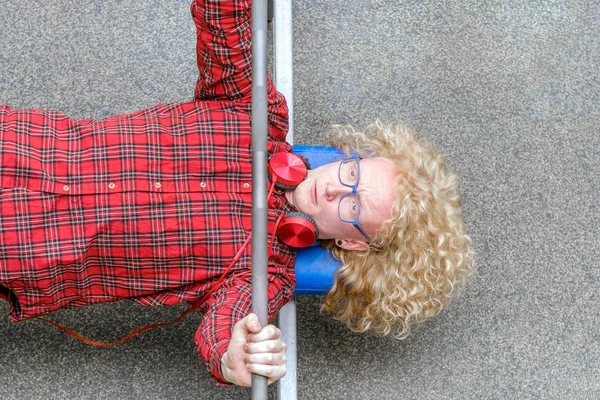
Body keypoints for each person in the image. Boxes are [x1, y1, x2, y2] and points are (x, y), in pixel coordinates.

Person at [0, 0, 473, 388]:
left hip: (22, 249)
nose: (333, 184)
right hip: (21, 145)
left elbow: (224, 330)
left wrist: (235, 356)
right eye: (351, 170)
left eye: (351, 204)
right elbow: (224, 27)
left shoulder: (266, 276)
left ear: (353, 243)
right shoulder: (259, 114)